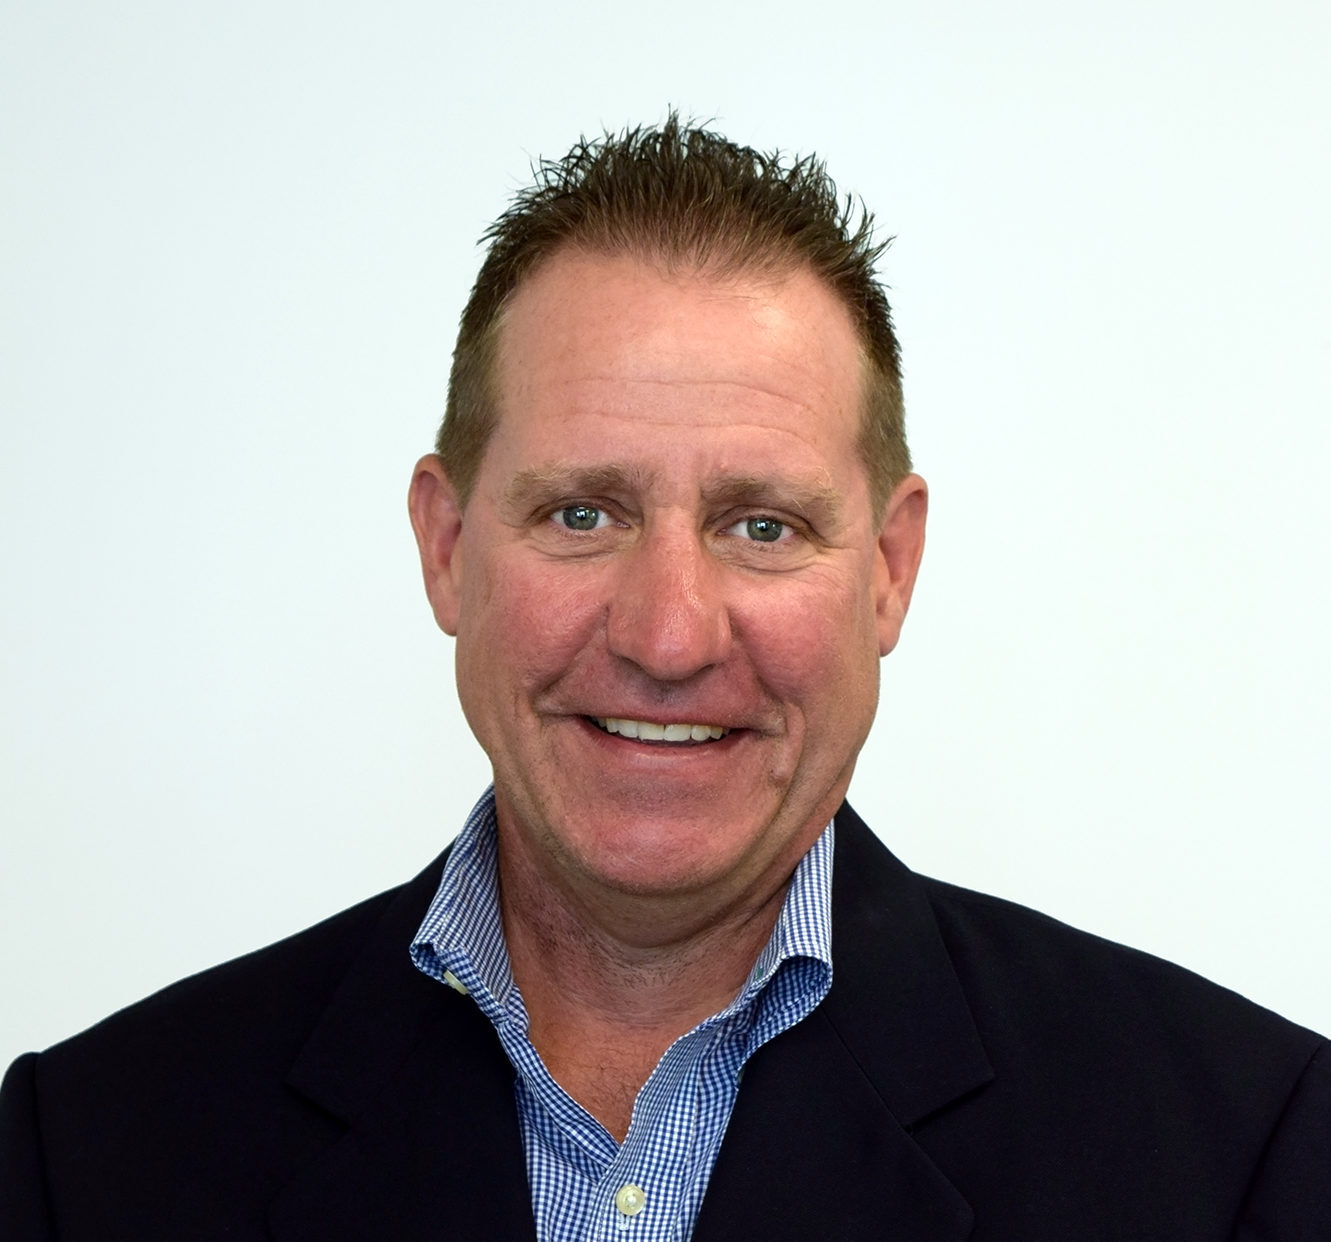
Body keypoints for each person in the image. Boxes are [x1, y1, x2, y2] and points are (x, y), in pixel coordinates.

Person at [1, 115, 1327, 1241]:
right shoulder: (89, 1156)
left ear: (889, 569)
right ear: (448, 547)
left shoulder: (1241, 1160)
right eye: (584, 513)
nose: (671, 633)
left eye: (763, 524)